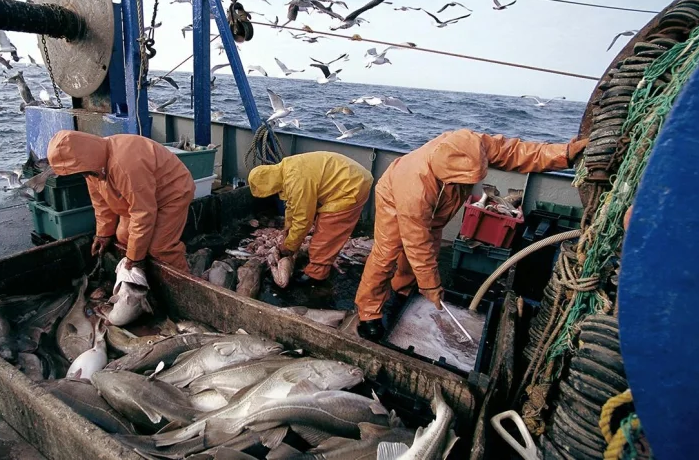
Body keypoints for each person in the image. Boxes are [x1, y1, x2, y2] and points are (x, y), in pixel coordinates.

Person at [354, 129, 588, 341]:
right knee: (387, 254)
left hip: (437, 208)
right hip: (395, 199)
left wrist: (564, 154)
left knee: (428, 250)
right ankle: (368, 312)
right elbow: (416, 242)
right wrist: (431, 285)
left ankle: (402, 291)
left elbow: (515, 152)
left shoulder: (475, 145)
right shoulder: (414, 188)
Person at [47, 130, 195, 272]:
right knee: (124, 237)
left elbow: (143, 212)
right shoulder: (91, 168)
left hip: (172, 194)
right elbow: (101, 203)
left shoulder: (125, 165)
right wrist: (103, 234)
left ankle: (185, 282)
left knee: (159, 249)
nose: (82, 175)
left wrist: (135, 258)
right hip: (141, 199)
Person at [248, 151, 374, 285]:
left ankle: (316, 275)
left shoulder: (297, 182)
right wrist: (287, 230)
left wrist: (289, 246)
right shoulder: (286, 168)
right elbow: (293, 206)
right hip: (348, 177)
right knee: (320, 228)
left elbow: (303, 220)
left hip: (351, 186)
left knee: (327, 233)